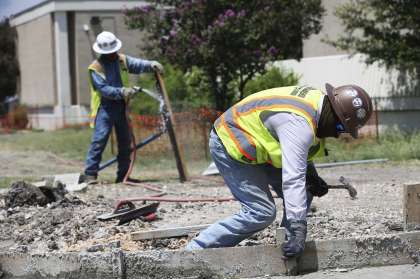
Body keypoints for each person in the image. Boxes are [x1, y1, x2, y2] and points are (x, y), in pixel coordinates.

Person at [186, 84, 373, 258]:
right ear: (331, 110)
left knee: (305, 191)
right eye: (340, 127)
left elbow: (300, 154)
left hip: (258, 142)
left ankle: (287, 247)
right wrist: (300, 228)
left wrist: (312, 176)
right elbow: (293, 178)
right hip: (231, 141)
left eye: (344, 131)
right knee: (261, 212)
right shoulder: (298, 124)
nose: (338, 133)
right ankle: (194, 251)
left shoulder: (317, 105)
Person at [82, 31, 163, 184]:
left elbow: (137, 64)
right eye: (110, 52)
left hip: (121, 106)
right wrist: (122, 91)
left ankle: (123, 176)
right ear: (102, 52)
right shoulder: (96, 68)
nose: (113, 54)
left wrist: (151, 64)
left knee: (125, 142)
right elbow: (104, 90)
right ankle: (90, 174)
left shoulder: (121, 60)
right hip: (104, 108)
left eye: (114, 51)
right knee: (99, 140)